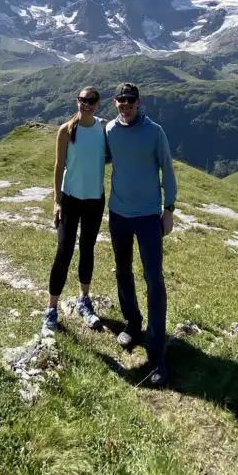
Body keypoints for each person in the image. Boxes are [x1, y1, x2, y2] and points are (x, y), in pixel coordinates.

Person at [106, 82, 176, 387]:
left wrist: (169, 208)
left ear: (139, 102)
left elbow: (168, 169)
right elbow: (98, 154)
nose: (126, 105)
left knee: (154, 279)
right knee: (122, 271)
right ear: (115, 103)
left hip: (149, 216)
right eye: (121, 100)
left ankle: (157, 350)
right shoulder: (109, 130)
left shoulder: (155, 131)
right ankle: (133, 324)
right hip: (118, 214)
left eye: (131, 100)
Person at [42, 86, 107, 334]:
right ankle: (51, 309)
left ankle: (84, 300)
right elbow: (58, 168)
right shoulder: (66, 130)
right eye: (81, 100)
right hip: (70, 200)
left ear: (98, 104)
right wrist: (56, 201)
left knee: (87, 249)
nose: (85, 104)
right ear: (77, 101)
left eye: (90, 100)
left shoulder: (104, 128)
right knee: (64, 251)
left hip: (95, 200)